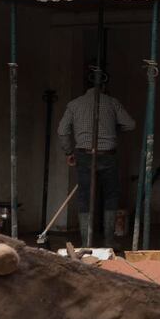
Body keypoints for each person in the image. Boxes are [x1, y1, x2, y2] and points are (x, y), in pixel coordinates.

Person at [57, 77, 136, 246]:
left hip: (84, 155)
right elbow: (130, 124)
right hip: (108, 155)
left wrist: (69, 152)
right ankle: (109, 240)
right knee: (111, 195)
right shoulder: (112, 102)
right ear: (105, 86)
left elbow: (62, 130)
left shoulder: (74, 104)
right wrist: (114, 129)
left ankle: (86, 243)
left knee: (85, 196)